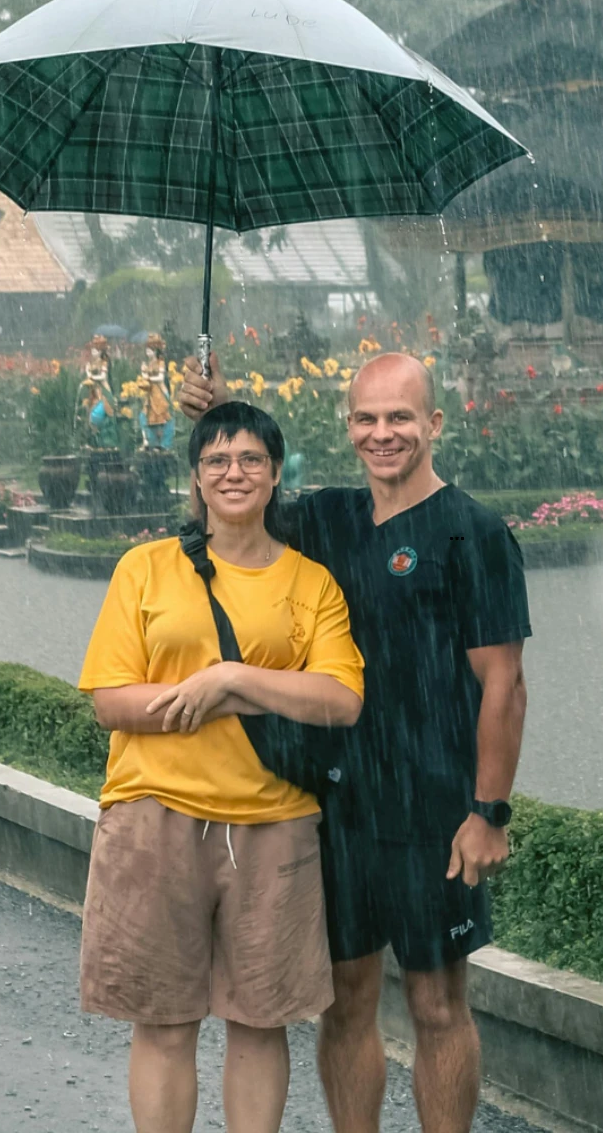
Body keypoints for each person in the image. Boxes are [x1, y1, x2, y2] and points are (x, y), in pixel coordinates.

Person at [180, 351, 530, 1133]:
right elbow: (239, 491)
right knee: (345, 1000)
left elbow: (504, 686)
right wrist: (217, 410)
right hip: (337, 800)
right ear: (348, 428)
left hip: (435, 807)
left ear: (434, 424)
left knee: (438, 1004)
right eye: (367, 419)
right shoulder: (329, 520)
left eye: (400, 417)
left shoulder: (473, 534)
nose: (384, 434)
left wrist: (489, 811)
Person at [77, 400, 366, 1133]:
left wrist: (232, 682)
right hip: (155, 817)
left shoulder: (311, 583)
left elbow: (340, 698)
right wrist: (219, 696)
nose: (234, 473)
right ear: (197, 479)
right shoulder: (145, 568)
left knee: (259, 1022)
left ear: (275, 476)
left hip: (274, 826)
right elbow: (112, 699)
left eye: (250, 460)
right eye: (216, 460)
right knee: (165, 1022)